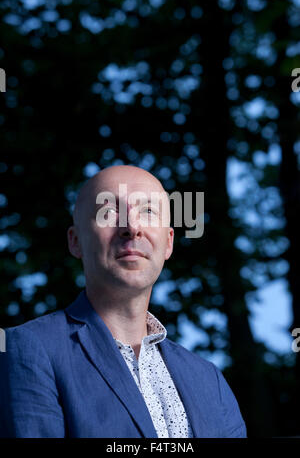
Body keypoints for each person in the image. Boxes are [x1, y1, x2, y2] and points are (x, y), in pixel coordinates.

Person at [0, 165, 247, 438]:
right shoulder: (29, 350)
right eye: (108, 212)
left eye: (148, 212)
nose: (132, 227)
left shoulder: (210, 380)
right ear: (75, 241)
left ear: (168, 243)